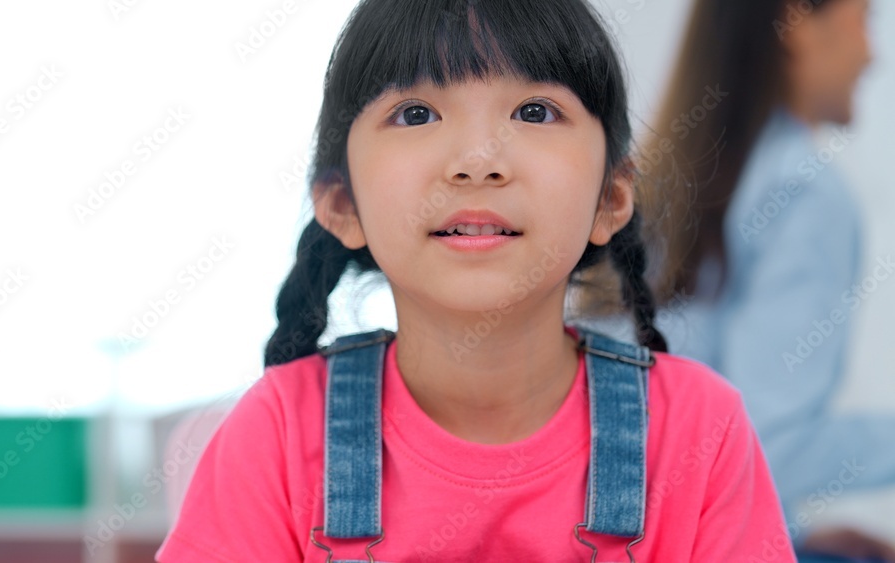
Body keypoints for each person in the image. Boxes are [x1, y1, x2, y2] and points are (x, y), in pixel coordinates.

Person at [155, 0, 798, 560]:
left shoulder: (699, 433)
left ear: (611, 197)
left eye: (536, 111)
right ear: (341, 205)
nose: (477, 162)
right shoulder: (275, 433)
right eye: (415, 114)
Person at [636, 0, 895, 560]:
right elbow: (772, 444)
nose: (872, 54)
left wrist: (792, 534)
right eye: (864, 19)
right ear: (797, 22)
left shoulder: (670, 179)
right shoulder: (805, 190)